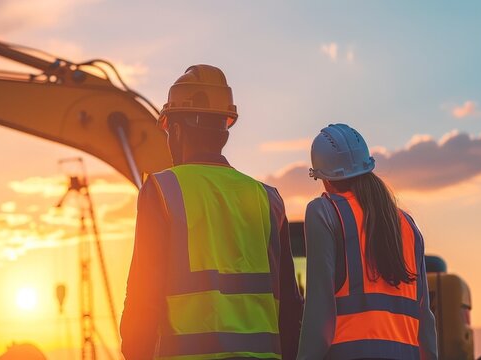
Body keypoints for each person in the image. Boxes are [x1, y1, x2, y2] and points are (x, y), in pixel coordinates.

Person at [120, 64, 303, 360]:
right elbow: (291, 308)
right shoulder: (267, 199)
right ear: (224, 130)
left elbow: (143, 298)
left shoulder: (162, 192)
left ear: (176, 130)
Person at [297, 124, 438, 360]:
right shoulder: (407, 224)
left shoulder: (324, 212)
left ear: (323, 178)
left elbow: (318, 314)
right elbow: (425, 321)